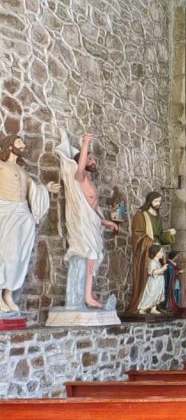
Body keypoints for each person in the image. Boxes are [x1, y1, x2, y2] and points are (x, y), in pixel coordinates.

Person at [55, 131, 119, 309]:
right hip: (82, 225)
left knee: (94, 258)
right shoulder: (79, 178)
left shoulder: (90, 183)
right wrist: (85, 145)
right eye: (90, 159)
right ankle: (87, 296)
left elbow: (94, 208)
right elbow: (80, 166)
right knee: (89, 256)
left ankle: (88, 293)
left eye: (93, 159)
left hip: (91, 224)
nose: (93, 162)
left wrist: (106, 222)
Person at [0, 135, 59, 313]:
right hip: (6, 210)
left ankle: (8, 294)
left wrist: (45, 189)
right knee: (6, 253)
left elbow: (32, 191)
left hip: (22, 213)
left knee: (19, 256)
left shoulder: (23, 171)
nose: (23, 145)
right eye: (19, 142)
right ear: (9, 146)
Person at [127, 191, 176, 313]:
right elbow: (137, 235)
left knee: (158, 281)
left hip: (157, 252)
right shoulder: (141, 215)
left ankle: (154, 305)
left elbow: (159, 236)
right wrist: (151, 242)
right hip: (146, 253)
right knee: (147, 279)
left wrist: (169, 235)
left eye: (159, 201)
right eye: (155, 201)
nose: (158, 204)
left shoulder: (157, 217)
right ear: (149, 201)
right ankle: (142, 306)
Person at [136, 245, 168, 314]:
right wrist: (162, 269)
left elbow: (159, 271)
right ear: (156, 253)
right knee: (151, 294)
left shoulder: (158, 262)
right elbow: (151, 272)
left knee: (158, 294)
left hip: (159, 280)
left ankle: (153, 308)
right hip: (154, 281)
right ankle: (142, 308)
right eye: (161, 252)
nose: (162, 253)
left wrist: (162, 270)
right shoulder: (152, 262)